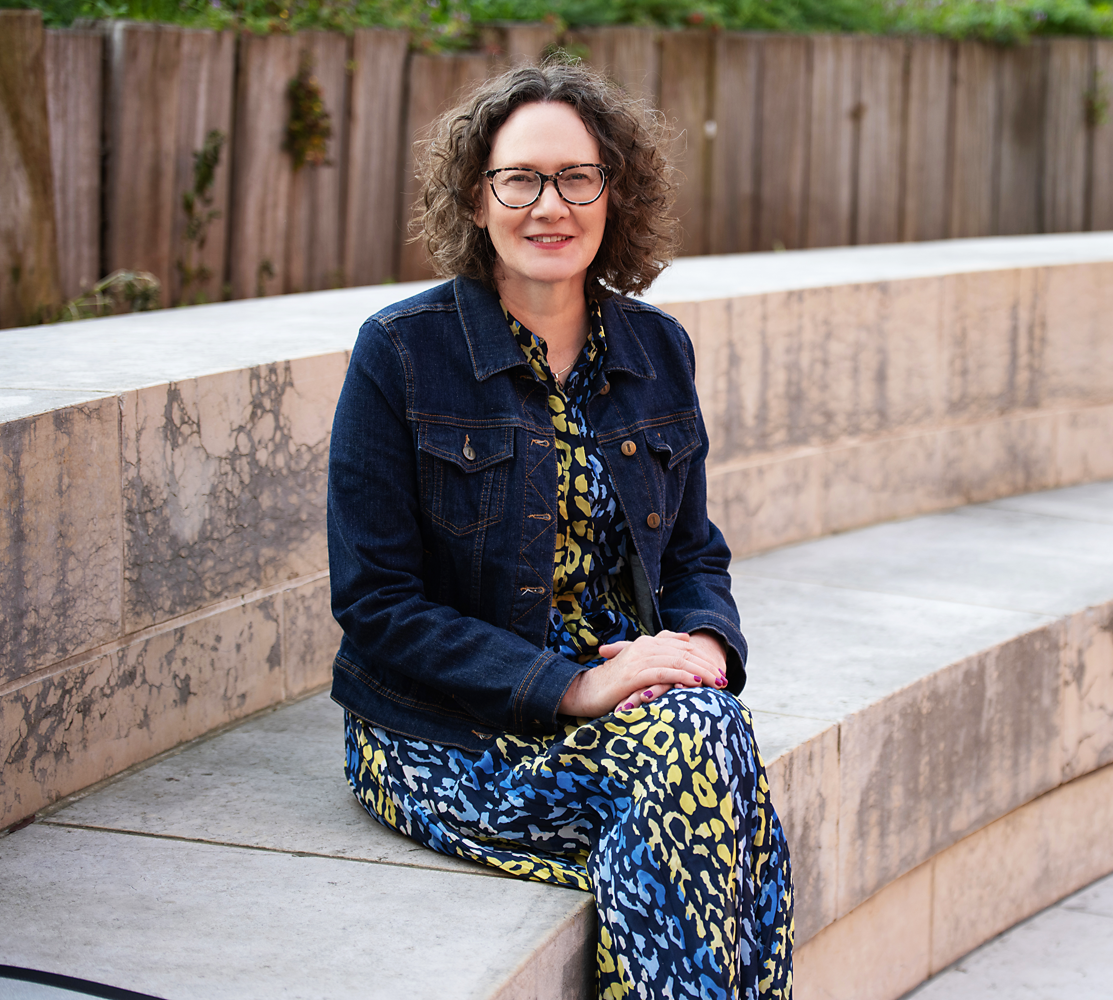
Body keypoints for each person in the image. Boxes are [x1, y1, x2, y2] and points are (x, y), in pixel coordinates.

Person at [325, 60, 793, 999]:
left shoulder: (656, 349)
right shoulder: (402, 354)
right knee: (711, 773)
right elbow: (377, 606)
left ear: (613, 193)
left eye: (577, 178)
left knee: (702, 735)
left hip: (624, 702)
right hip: (447, 730)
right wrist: (576, 685)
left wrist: (698, 644)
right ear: (476, 195)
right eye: (521, 179)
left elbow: (694, 549)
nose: (551, 205)